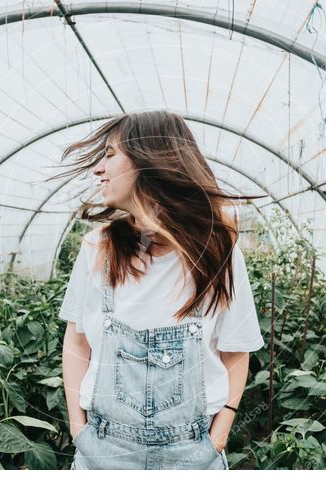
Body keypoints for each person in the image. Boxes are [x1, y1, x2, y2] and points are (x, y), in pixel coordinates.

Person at [56, 110, 265, 469]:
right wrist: (79, 430)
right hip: (104, 454)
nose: (98, 169)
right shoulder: (97, 249)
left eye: (109, 154)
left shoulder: (217, 255)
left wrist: (218, 437)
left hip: (191, 456)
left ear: (149, 161)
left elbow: (236, 351)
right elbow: (76, 341)